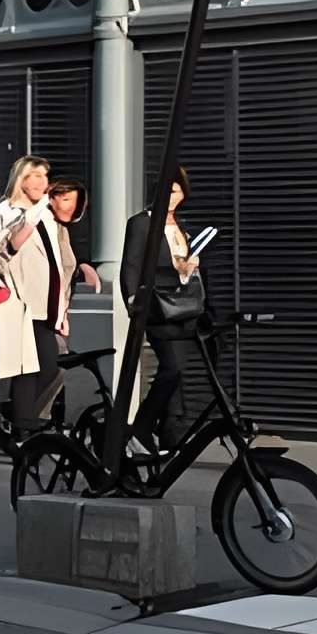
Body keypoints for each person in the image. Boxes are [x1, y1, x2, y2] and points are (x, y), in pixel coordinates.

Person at [0, 156, 69, 451]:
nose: (42, 182)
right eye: (35, 176)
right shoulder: (6, 212)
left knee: (50, 368)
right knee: (26, 370)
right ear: (21, 179)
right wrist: (25, 223)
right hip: (18, 303)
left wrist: (62, 307)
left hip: (45, 305)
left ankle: (18, 423)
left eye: (45, 176)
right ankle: (23, 433)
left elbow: (56, 264)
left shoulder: (45, 215)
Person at [116, 160, 206, 443]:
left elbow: (184, 270)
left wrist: (191, 266)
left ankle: (170, 432)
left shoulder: (183, 227)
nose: (171, 196)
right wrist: (133, 302)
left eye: (176, 191)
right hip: (156, 307)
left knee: (178, 373)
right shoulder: (142, 223)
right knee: (172, 367)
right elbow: (130, 265)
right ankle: (141, 428)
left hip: (182, 309)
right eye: (166, 190)